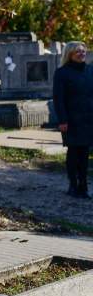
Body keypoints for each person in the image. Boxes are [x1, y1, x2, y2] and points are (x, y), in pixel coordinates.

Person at [53, 41, 91, 199]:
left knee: (85, 153)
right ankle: (73, 185)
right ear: (69, 54)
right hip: (71, 119)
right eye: (78, 52)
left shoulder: (90, 70)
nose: (82, 54)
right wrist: (62, 120)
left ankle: (84, 186)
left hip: (89, 118)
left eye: (83, 51)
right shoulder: (62, 73)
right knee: (74, 153)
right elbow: (58, 98)